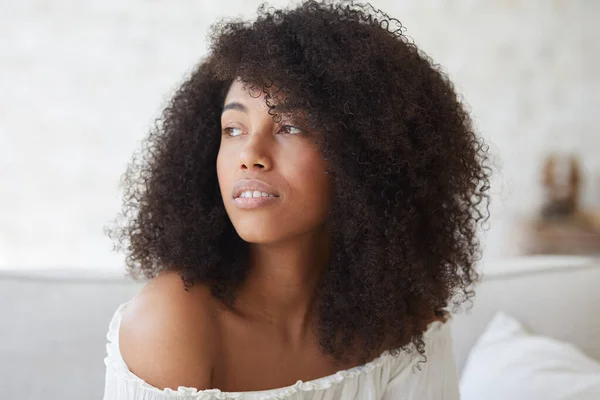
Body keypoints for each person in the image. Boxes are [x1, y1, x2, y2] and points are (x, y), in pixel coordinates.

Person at [102, 0, 491, 398]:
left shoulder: (404, 323)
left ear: (363, 155)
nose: (250, 154)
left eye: (289, 126)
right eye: (233, 129)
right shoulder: (172, 322)